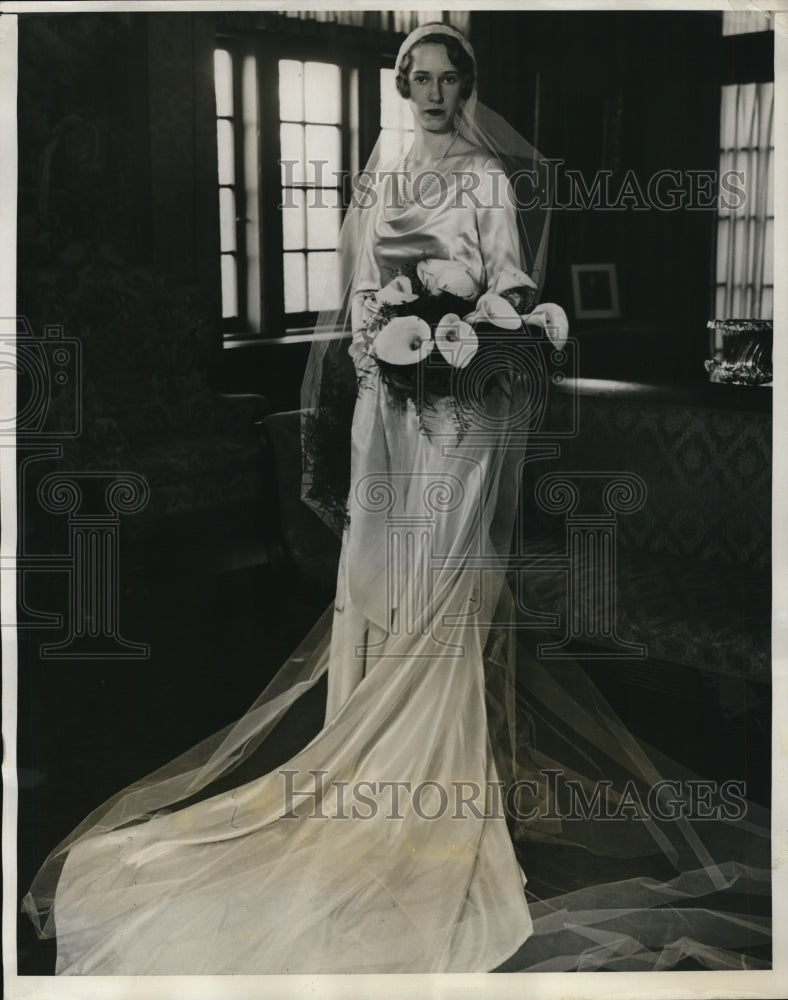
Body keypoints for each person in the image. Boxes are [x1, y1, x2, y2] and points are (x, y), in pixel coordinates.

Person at [22, 23, 770, 975]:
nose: (430, 93)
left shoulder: (488, 180)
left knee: (442, 587)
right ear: (400, 85)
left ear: (467, 86)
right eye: (415, 78)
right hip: (390, 406)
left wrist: (465, 325)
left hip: (460, 411)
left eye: (446, 79)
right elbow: (358, 300)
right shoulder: (380, 175)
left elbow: (512, 293)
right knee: (376, 578)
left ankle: (435, 781)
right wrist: (392, 331)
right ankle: (365, 762)